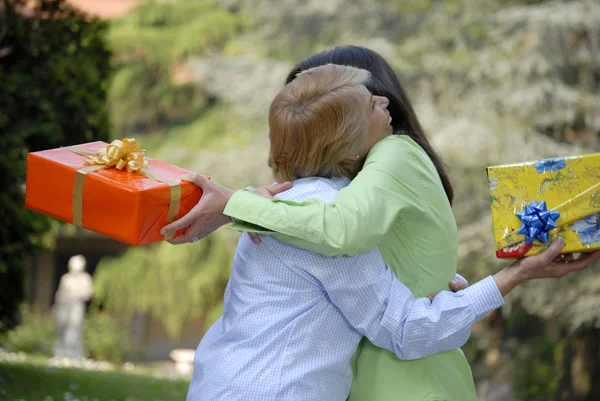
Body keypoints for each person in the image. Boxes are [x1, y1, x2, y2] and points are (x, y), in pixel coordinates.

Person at [164, 47, 599, 401]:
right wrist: (514, 276)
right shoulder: (320, 215)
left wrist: (238, 203)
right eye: (369, 102)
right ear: (347, 138)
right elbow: (406, 329)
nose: (385, 101)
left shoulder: (287, 205)